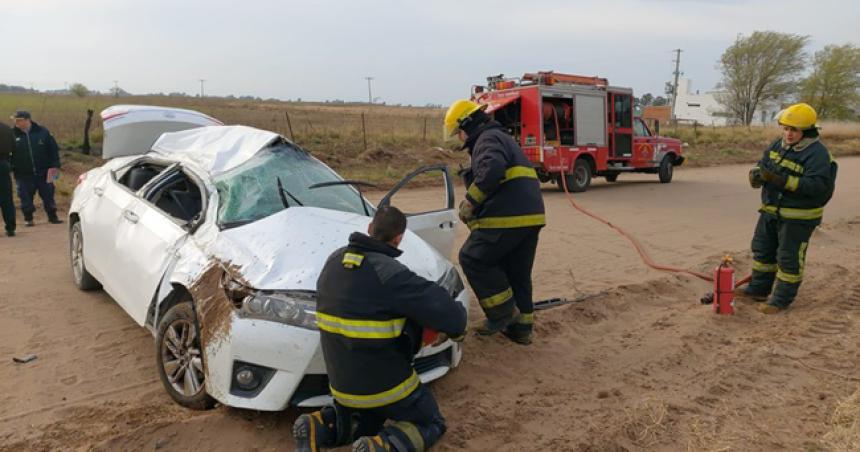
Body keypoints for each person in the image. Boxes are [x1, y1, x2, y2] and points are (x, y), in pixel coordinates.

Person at [293, 206, 467, 452]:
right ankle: (382, 447)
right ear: (399, 238)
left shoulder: (332, 262)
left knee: (363, 422)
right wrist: (453, 329)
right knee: (430, 422)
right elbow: (450, 314)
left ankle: (319, 425)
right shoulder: (391, 274)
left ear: (369, 228)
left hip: (341, 387)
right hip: (387, 387)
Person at [443, 99, 546, 345]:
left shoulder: (487, 139)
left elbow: (492, 169)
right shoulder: (502, 137)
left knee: (473, 257)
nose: (459, 138)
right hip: (530, 216)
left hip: (508, 216)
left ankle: (502, 313)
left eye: (458, 132)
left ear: (467, 125)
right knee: (517, 273)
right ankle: (521, 330)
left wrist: (470, 203)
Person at [741, 103, 838, 314]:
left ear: (807, 131)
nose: (788, 133)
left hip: (798, 218)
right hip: (770, 211)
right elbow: (763, 163)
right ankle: (758, 289)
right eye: (785, 128)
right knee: (762, 251)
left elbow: (817, 187)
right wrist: (757, 175)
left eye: (794, 130)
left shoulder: (818, 154)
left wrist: (780, 180)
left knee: (788, 258)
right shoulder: (779, 145)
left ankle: (780, 301)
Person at [10, 110, 63, 226]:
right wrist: (12, 167)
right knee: (25, 197)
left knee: (49, 194)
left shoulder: (43, 132)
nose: (16, 122)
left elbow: (53, 151)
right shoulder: (12, 135)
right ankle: (28, 219)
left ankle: (52, 216)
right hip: (23, 174)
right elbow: (8, 154)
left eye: (19, 120)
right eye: (15, 120)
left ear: (28, 120)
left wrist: (55, 167)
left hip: (45, 172)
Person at [0, 121, 16, 236]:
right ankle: (10, 227)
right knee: (6, 198)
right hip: (3, 164)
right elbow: (14, 147)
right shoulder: (6, 129)